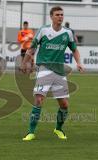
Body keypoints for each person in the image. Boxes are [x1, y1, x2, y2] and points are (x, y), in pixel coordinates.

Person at [20, 6, 84, 141]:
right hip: (44, 69)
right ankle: (30, 132)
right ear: (51, 16)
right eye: (57, 15)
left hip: (59, 72)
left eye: (61, 15)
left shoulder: (68, 33)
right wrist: (24, 63)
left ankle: (58, 129)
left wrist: (79, 62)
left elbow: (75, 49)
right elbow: (31, 49)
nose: (60, 17)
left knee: (64, 105)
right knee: (38, 100)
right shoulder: (43, 30)